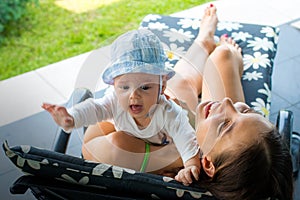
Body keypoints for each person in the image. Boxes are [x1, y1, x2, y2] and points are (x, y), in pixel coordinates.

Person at [44, 4, 293, 199]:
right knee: (223, 56)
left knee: (182, 85)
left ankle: (203, 41)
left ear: (206, 164)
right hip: (195, 125)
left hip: (165, 132)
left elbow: (90, 147)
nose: (228, 102)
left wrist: (136, 120)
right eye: (246, 110)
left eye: (226, 124)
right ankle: (208, 44)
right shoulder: (221, 153)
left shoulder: (149, 156)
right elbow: (223, 117)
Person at [42, 27, 201, 181]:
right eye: (124, 87)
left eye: (145, 87)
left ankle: (204, 43)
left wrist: (190, 165)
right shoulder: (114, 101)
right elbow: (95, 108)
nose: (134, 95)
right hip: (134, 147)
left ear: (162, 86)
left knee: (185, 85)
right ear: (114, 85)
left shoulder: (169, 112)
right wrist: (73, 117)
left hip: (165, 144)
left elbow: (185, 136)